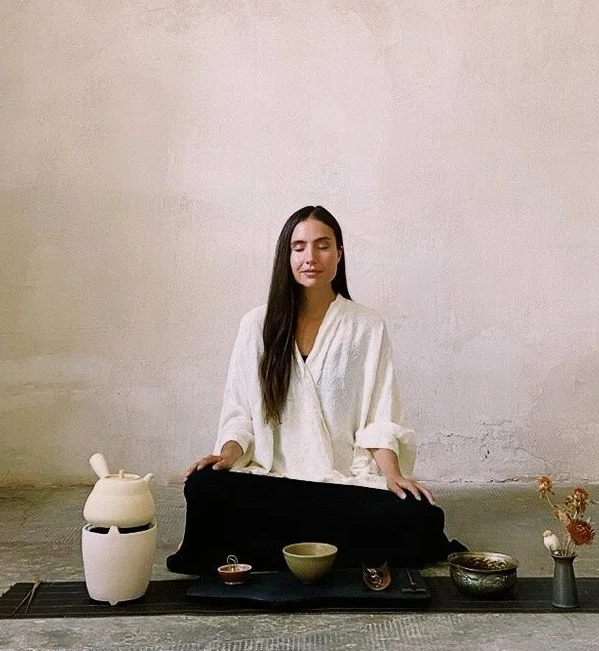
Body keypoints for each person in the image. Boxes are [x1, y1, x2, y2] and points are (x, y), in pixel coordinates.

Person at [167, 205, 465, 576]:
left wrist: (392, 475)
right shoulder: (256, 324)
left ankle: (270, 548)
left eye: (323, 246)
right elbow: (239, 411)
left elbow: (380, 413)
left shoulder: (366, 326)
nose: (311, 258)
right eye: (299, 247)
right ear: (286, 256)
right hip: (275, 481)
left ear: (339, 254)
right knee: (203, 487)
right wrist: (227, 455)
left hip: (339, 485)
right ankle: (332, 549)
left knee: (416, 513)